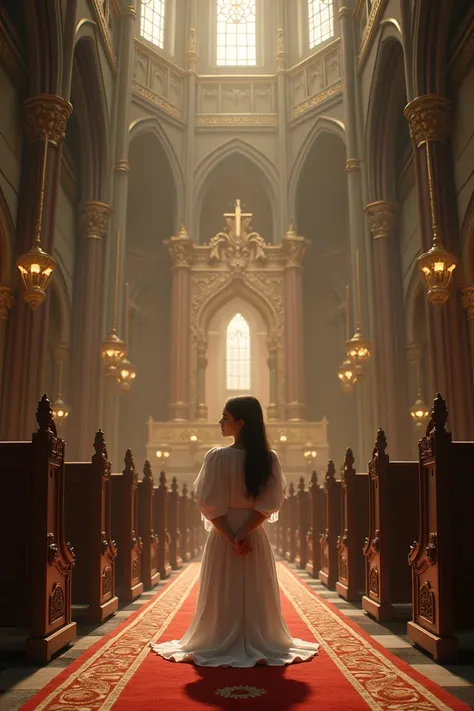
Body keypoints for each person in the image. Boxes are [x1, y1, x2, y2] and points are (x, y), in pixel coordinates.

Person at [151, 395, 320, 667]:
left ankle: (217, 636)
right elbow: (269, 503)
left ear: (240, 423)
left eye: (225, 418)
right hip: (253, 534)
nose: (219, 423)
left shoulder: (217, 458)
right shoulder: (268, 458)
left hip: (223, 535)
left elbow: (209, 503)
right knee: (255, 589)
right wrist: (243, 533)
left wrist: (231, 536)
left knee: (223, 589)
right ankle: (261, 638)